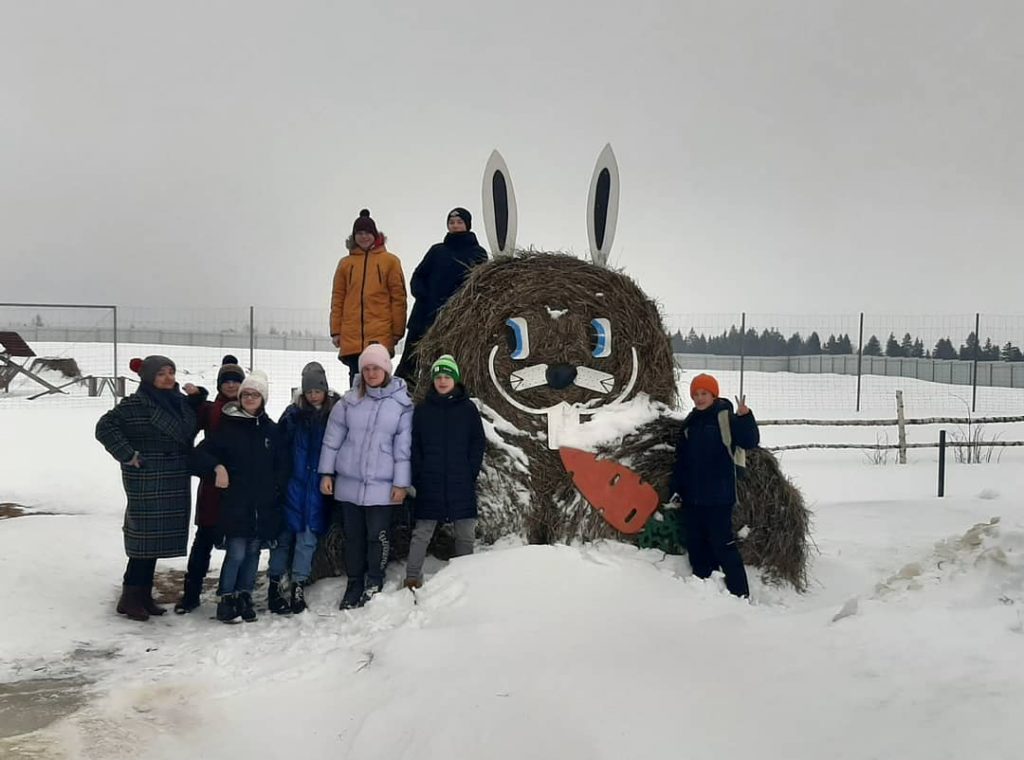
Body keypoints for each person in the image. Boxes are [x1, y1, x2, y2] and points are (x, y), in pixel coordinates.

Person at [95, 355, 206, 621]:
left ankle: (143, 594)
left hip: (173, 476)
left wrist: (198, 397)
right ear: (148, 378)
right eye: (161, 374)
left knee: (155, 541)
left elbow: (192, 423)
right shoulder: (136, 404)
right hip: (147, 477)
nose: (169, 378)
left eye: (171, 372)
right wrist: (128, 454)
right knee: (143, 540)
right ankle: (130, 596)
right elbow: (104, 427)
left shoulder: (178, 402)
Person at [319, 344, 412, 609]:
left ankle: (374, 580)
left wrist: (401, 483)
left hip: (383, 488)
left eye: (376, 368)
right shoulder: (349, 402)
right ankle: (354, 583)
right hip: (349, 483)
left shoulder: (402, 405)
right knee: (353, 538)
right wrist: (326, 473)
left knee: (377, 536)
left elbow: (403, 449)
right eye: (367, 368)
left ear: (386, 370)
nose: (371, 373)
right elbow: (332, 441)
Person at [192, 370, 289, 623]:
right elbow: (200, 454)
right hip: (236, 504)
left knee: (254, 552)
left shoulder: (271, 430)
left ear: (263, 398)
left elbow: (282, 466)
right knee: (235, 551)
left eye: (255, 394)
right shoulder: (228, 427)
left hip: (262, 505)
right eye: (246, 393)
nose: (249, 398)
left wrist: (277, 490)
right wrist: (217, 467)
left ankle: (244, 594)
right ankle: (227, 596)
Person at [669, 373, 759, 598]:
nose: (699, 398)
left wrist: (746, 417)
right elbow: (682, 460)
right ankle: (704, 589)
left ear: (714, 395)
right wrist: (677, 489)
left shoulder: (725, 417)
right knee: (696, 543)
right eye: (696, 394)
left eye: (704, 394)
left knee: (722, 544)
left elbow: (750, 441)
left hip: (719, 496)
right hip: (693, 497)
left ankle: (740, 594)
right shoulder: (691, 422)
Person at [405, 355, 485, 589]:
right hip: (430, 481)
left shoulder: (468, 409)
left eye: (447, 377)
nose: (442, 381)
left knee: (465, 533)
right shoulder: (423, 409)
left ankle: (465, 577)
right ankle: (412, 577)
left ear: (455, 380)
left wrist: (469, 471)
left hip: (460, 481)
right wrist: (418, 475)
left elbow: (477, 442)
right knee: (422, 532)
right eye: (438, 377)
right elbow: (415, 445)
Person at [266, 362, 340, 614]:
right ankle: (274, 585)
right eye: (308, 392)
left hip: (317, 491)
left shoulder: (334, 415)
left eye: (317, 391)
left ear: (324, 389)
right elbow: (278, 448)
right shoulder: (292, 416)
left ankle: (298, 584)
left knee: (307, 541)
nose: (312, 396)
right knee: (283, 539)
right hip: (292, 488)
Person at [174, 355, 245, 614]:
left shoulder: (249, 405)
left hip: (239, 486)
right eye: (226, 381)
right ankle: (191, 593)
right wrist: (196, 396)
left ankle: (232, 591)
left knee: (239, 542)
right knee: (204, 540)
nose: (230, 385)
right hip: (213, 486)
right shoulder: (211, 409)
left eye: (235, 380)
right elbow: (192, 414)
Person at [395, 208, 488, 384]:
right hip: (424, 316)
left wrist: (461, 306)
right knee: (411, 360)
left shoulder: (478, 253)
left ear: (467, 225)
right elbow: (418, 276)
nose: (455, 225)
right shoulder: (437, 251)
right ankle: (402, 395)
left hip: (456, 320)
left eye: (459, 222)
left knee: (446, 361)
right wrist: (423, 296)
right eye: (451, 222)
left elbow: (480, 286)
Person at [330, 209, 408, 387]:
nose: (363, 237)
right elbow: (338, 299)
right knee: (356, 387)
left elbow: (398, 299)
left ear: (375, 235)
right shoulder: (345, 264)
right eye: (359, 233)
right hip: (352, 338)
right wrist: (336, 331)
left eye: (367, 233)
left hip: (379, 336)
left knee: (379, 385)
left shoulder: (390, 262)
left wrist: (397, 331)